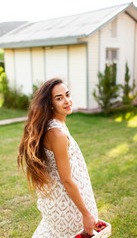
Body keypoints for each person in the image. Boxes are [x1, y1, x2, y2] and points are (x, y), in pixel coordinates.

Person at [18, 78, 98, 238]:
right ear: (50, 104)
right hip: (69, 207)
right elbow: (66, 180)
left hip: (61, 204)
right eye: (59, 98)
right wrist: (86, 213)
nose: (67, 101)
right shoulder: (57, 133)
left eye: (67, 95)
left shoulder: (53, 125)